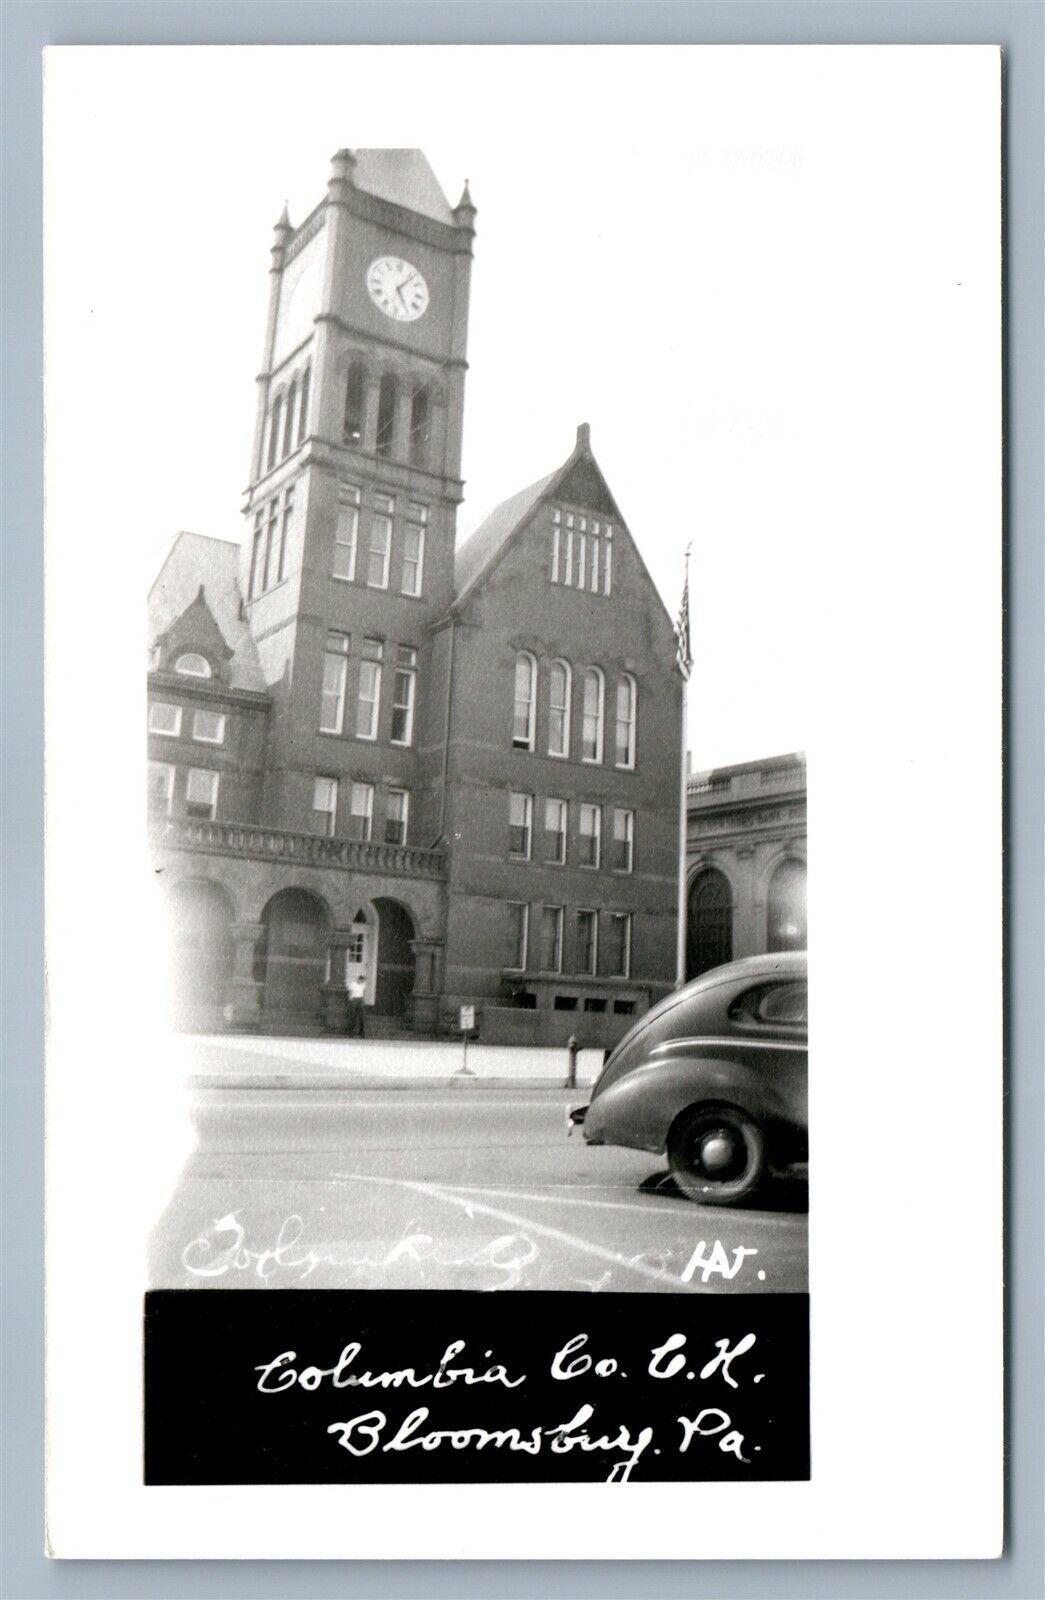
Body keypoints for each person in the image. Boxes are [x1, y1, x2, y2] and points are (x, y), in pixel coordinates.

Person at [346, 969, 366, 1038]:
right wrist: (350, 999)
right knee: (353, 1016)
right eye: (361, 980)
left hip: (360, 999)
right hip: (354, 999)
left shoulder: (363, 985)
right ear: (358, 979)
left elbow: (363, 992)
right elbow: (350, 992)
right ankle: (351, 1032)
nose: (361, 981)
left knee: (361, 1017)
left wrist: (363, 1000)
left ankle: (361, 1032)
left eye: (363, 980)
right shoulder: (352, 984)